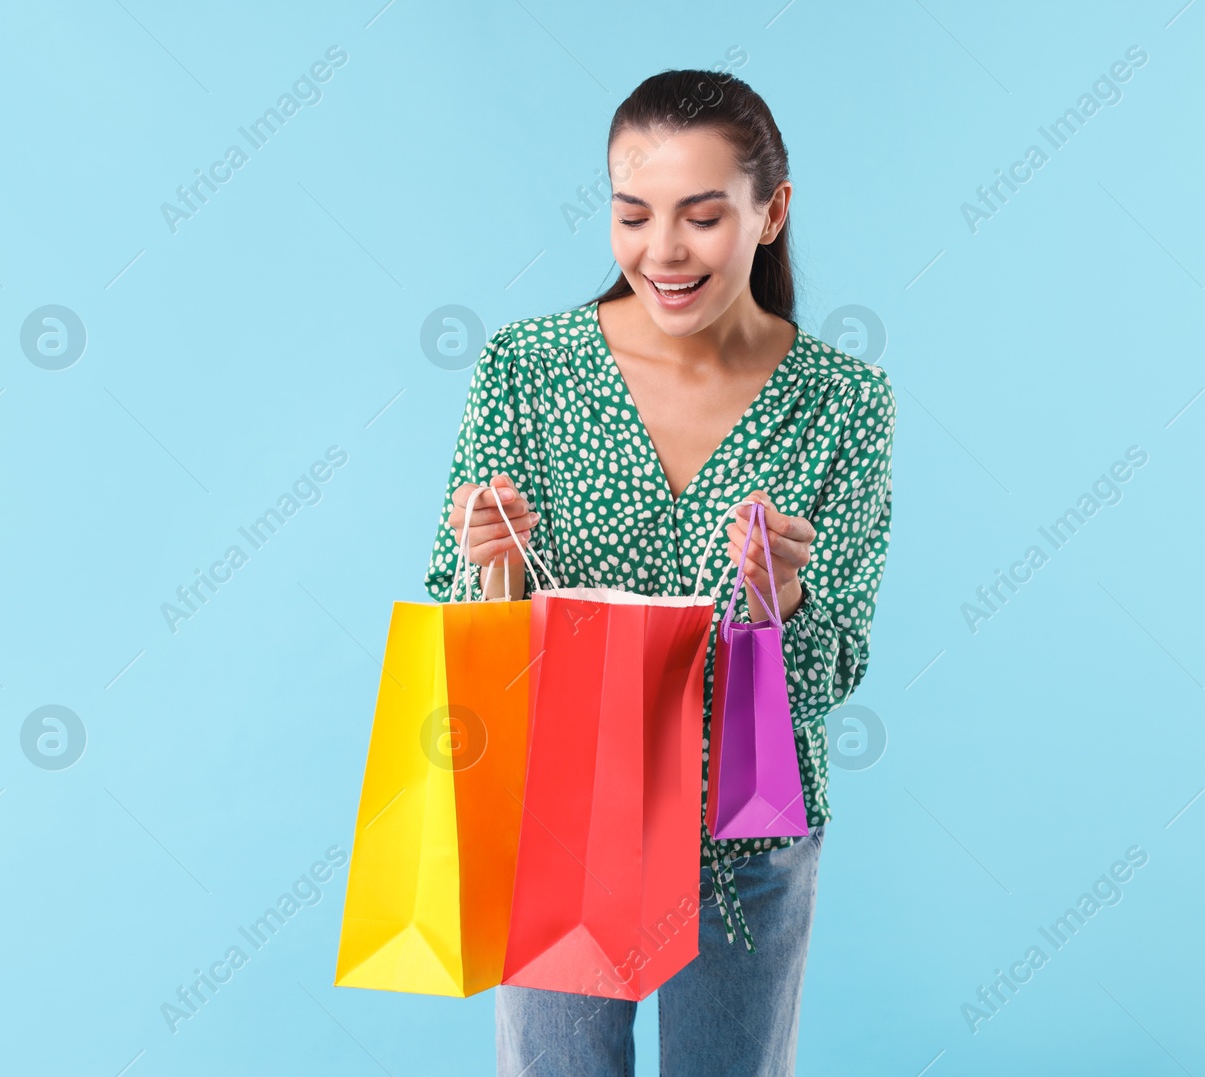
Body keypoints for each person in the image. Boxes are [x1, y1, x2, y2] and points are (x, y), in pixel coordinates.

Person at [424, 67, 896, 1076]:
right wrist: (492, 568)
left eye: (701, 217)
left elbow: (831, 673)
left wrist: (785, 599)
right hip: (563, 807)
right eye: (632, 214)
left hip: (748, 830)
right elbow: (462, 628)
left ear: (771, 214)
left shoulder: (843, 403)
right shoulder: (528, 368)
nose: (661, 252)